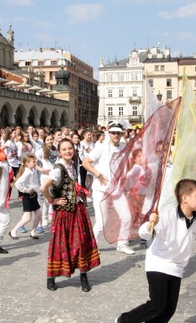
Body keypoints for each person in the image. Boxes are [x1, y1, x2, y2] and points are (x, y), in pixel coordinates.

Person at [116, 179, 196, 322]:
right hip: (159, 263)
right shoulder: (168, 214)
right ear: (185, 198)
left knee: (168, 310)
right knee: (157, 305)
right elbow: (144, 233)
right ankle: (124, 320)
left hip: (177, 267)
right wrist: (150, 223)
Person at [40, 139, 100, 292]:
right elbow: (43, 187)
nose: (68, 151)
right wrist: (52, 200)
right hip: (64, 213)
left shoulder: (72, 165)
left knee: (81, 242)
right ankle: (51, 277)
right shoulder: (58, 169)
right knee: (60, 244)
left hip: (78, 210)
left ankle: (83, 276)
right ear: (59, 152)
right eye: (64, 149)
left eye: (70, 148)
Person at [82, 122, 134, 255]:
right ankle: (92, 245)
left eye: (118, 133)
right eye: (113, 132)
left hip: (117, 189)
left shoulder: (124, 147)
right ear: (109, 133)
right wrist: (98, 174)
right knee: (101, 221)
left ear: (122, 134)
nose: (116, 135)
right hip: (101, 189)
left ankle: (122, 244)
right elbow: (86, 162)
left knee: (127, 216)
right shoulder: (101, 147)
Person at [9, 154, 42, 240]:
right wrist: (27, 190)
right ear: (27, 163)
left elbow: (34, 182)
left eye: (35, 161)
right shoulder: (27, 172)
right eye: (33, 162)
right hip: (28, 197)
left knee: (38, 214)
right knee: (27, 218)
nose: (35, 163)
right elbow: (18, 184)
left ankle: (33, 232)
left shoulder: (32, 170)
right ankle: (13, 231)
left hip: (34, 195)